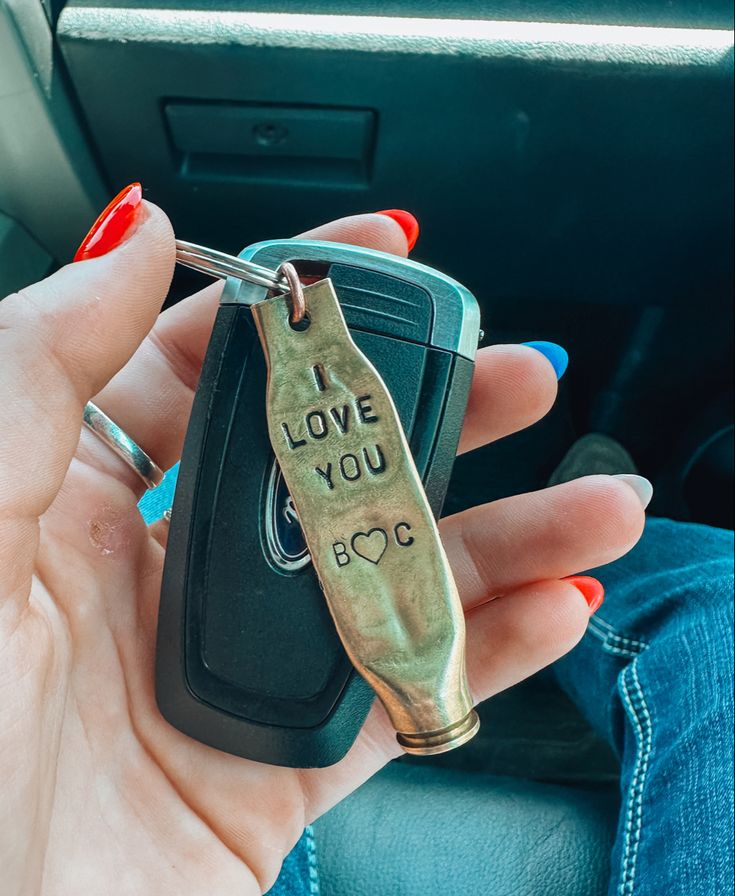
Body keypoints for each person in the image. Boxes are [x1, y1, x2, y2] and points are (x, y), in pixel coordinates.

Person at [0, 184, 730, 895]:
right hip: (213, 759)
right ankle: (644, 541)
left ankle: (640, 548)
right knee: (713, 591)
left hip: (197, 752)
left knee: (700, 591)